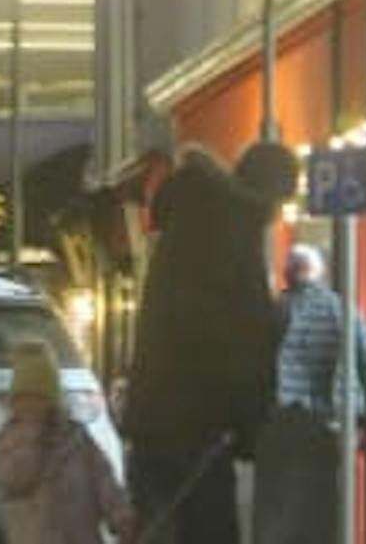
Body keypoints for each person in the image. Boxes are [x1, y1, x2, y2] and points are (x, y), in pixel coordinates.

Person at [120, 142, 291, 543]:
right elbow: (237, 337)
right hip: (200, 422)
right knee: (208, 528)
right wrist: (251, 424)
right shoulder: (233, 225)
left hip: (157, 414)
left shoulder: (190, 217)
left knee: (160, 525)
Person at [254, 245, 359, 544]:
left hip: (279, 422)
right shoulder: (340, 309)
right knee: (321, 510)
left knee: (276, 511)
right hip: (323, 422)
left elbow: (257, 366)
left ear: (288, 273)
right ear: (318, 273)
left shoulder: (274, 311)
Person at [0, 339, 131, 543]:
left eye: (40, 397)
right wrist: (30, 438)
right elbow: (14, 480)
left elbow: (103, 479)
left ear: (52, 400)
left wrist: (120, 516)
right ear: (15, 402)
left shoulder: (76, 437)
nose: (33, 405)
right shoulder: (9, 441)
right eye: (25, 398)